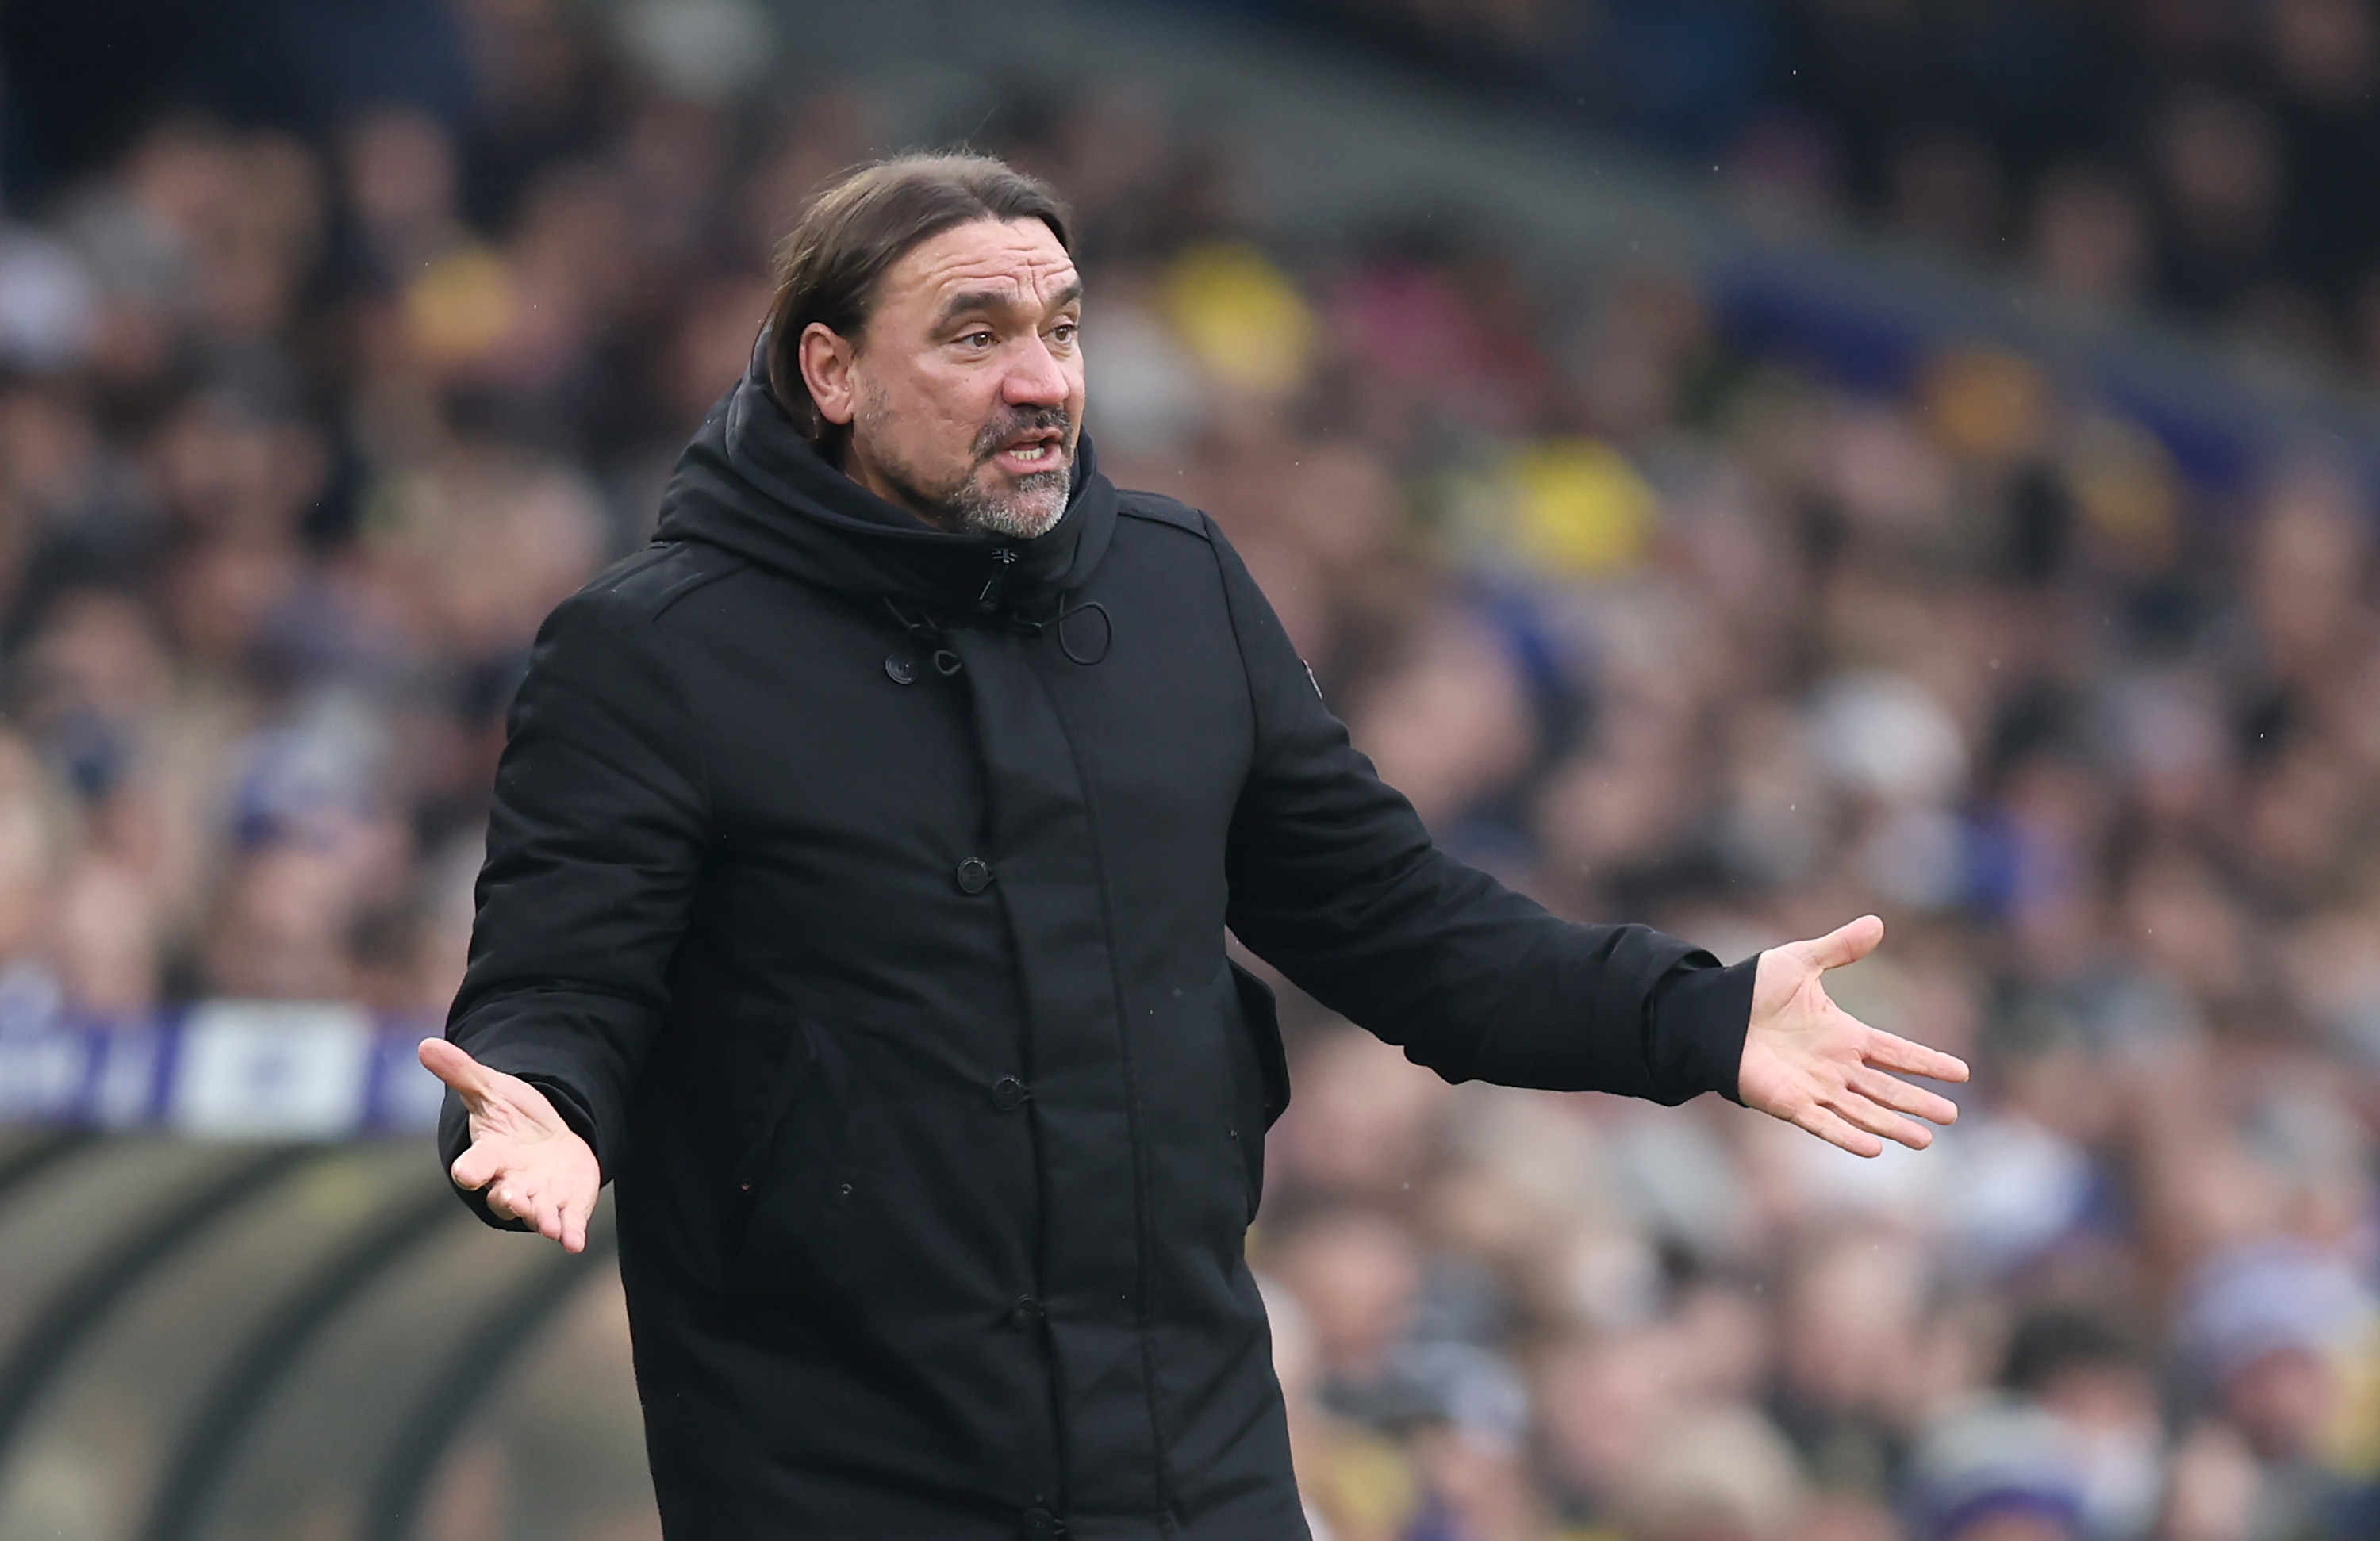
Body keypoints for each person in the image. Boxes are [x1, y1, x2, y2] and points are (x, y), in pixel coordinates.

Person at [419, 151, 1969, 1540]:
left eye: (1064, 329)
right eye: (975, 336)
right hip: (834, 1482)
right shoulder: (654, 651)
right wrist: (545, 1109)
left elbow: (1401, 927)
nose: (1042, 380)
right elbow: (565, 985)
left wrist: (1692, 1010)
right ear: (830, 370)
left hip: (1190, 1474)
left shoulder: (1173, 587)